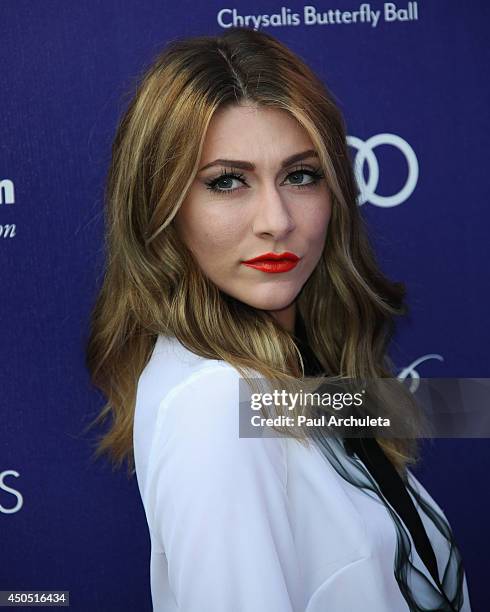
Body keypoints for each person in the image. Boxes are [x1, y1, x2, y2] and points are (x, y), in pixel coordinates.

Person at [85, 27, 472, 611]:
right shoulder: (216, 403)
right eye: (227, 181)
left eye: (300, 175)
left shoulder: (282, 377)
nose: (276, 219)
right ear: (160, 204)